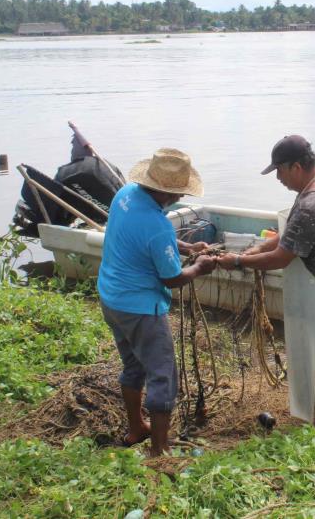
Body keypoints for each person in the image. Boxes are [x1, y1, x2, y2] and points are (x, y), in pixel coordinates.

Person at [216, 135, 315, 425]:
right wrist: (260, 247)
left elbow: (281, 258)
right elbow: (290, 233)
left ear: (297, 167)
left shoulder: (312, 204)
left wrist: (237, 260)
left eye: (279, 170)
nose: (277, 178)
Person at [97, 148, 216, 457]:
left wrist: (186, 246)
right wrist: (200, 267)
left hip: (112, 298)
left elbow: (145, 236)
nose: (179, 200)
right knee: (163, 373)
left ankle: (136, 429)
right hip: (140, 309)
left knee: (133, 364)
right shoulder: (157, 225)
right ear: (169, 192)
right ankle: (158, 452)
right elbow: (172, 278)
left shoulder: (125, 194)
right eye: (178, 194)